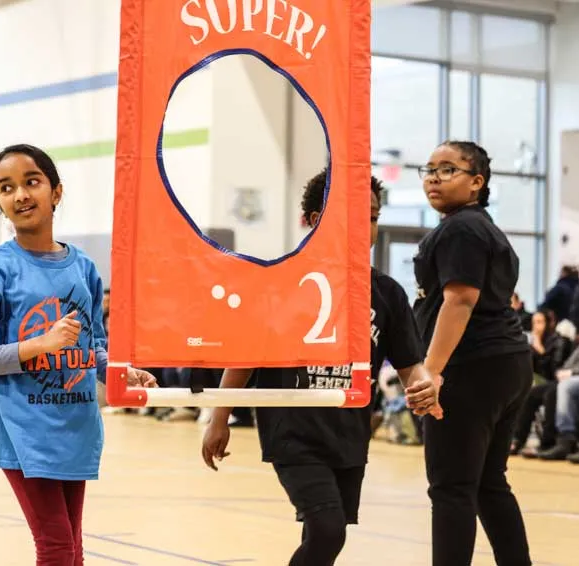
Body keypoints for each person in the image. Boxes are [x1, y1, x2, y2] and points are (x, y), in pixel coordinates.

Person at [200, 169, 440, 566]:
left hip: (348, 433)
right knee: (328, 529)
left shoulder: (388, 294)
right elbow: (246, 355)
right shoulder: (279, 281)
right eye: (352, 212)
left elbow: (410, 365)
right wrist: (219, 417)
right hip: (293, 431)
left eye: (373, 216)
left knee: (323, 534)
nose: (365, 225)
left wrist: (423, 387)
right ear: (314, 220)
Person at [0, 144, 157, 566]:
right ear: (0, 204)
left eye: (32, 182)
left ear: (56, 192)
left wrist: (123, 372)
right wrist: (38, 345)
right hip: (25, 429)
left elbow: (93, 346)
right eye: (6, 188)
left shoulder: (83, 267)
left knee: (73, 548)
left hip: (76, 424)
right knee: (57, 548)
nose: (21, 195)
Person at [413, 140, 533, 566]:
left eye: (448, 169)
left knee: (451, 487)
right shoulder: (481, 227)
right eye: (429, 169)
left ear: (476, 182)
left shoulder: (461, 228)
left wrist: (432, 371)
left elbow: (460, 300)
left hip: (473, 367)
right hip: (507, 363)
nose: (433, 177)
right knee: (487, 483)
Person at [511, 309, 564, 456]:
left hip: (555, 381)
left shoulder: (558, 341)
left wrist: (539, 348)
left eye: (540, 322)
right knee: (524, 390)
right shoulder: (531, 343)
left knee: (542, 393)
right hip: (539, 382)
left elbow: (554, 369)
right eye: (534, 323)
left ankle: (547, 442)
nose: (536, 326)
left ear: (548, 323)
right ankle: (517, 439)